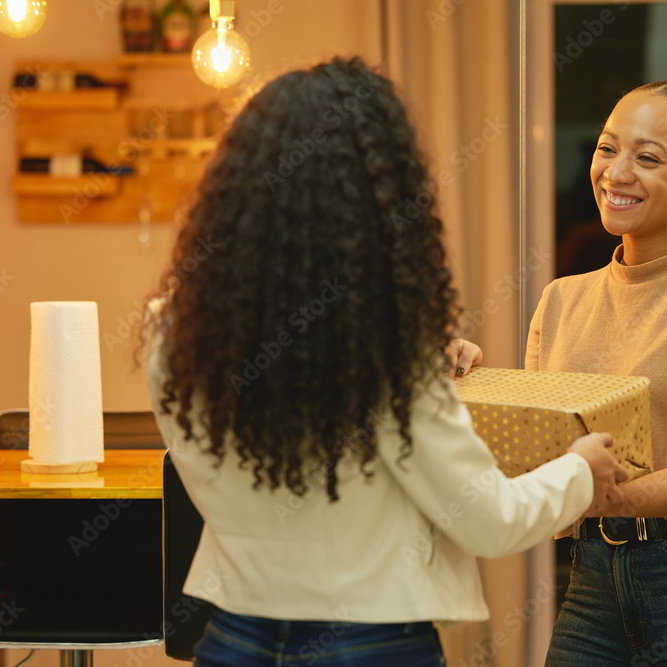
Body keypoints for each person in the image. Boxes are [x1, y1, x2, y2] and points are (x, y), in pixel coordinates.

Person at [142, 57, 627, 667]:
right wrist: (580, 468)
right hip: (368, 643)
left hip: (235, 637)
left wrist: (424, 360)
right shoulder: (382, 349)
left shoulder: (173, 330)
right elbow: (489, 521)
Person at [450, 81, 667, 665]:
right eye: (606, 148)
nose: (615, 173)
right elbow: (530, 461)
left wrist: (585, 495)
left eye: (647, 157)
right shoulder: (562, 299)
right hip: (592, 582)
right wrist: (463, 389)